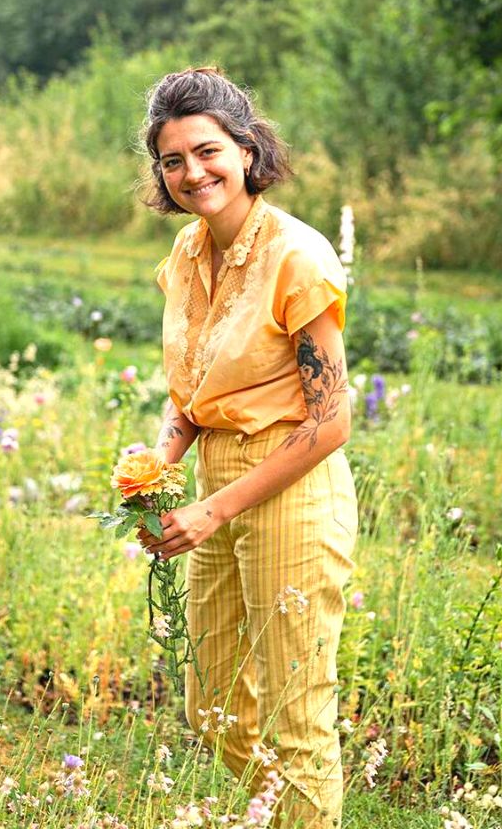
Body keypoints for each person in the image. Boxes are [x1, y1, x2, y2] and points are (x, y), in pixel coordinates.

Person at [138, 66, 358, 828]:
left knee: (298, 719)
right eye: (172, 161)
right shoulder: (186, 253)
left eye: (207, 151)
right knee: (214, 706)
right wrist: (154, 471)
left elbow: (330, 422)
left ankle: (303, 815)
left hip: (292, 489)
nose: (192, 172)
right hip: (212, 486)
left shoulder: (297, 256)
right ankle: (283, 817)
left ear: (245, 147)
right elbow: (192, 391)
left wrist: (213, 509)